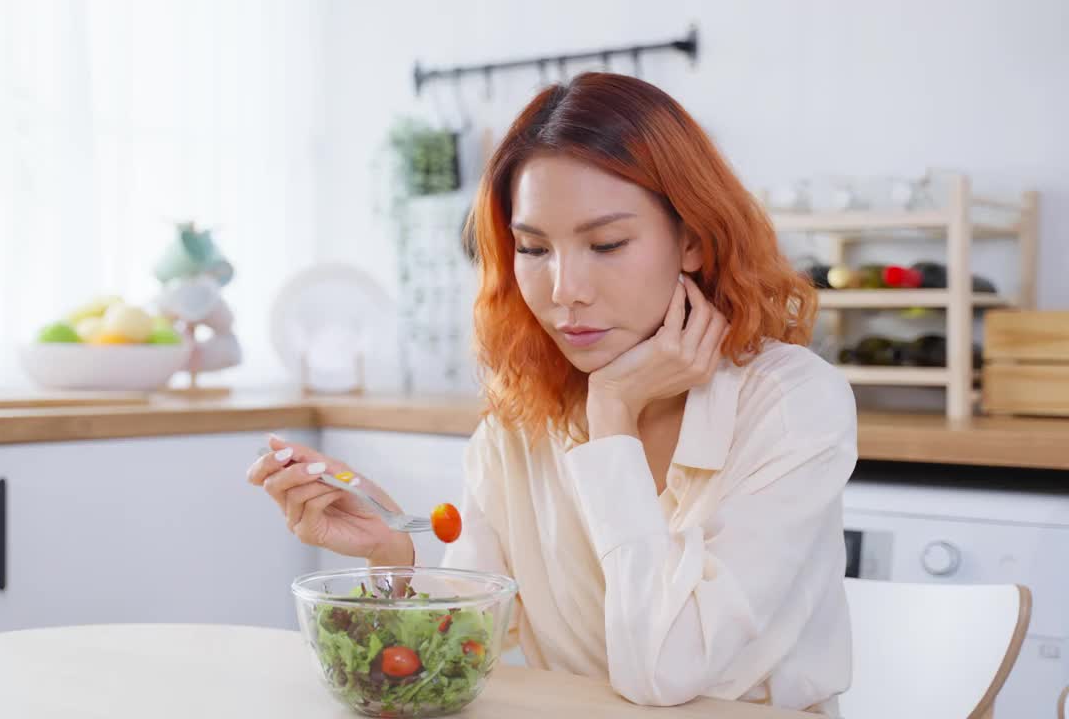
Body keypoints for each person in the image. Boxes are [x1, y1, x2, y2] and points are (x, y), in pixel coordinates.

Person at [246, 72, 855, 715]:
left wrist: (613, 412)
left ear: (694, 240)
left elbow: (664, 674)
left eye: (607, 244)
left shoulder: (791, 404)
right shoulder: (520, 422)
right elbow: (453, 656)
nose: (565, 289)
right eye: (533, 248)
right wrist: (392, 554)